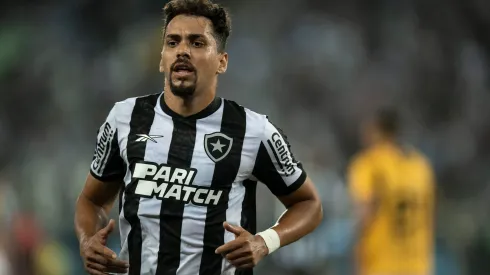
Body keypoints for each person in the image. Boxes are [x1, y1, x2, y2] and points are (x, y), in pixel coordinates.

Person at [74, 0, 323, 275]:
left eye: (197, 43)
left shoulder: (254, 130)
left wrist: (265, 242)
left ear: (221, 62)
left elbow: (308, 204)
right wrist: (87, 241)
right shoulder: (126, 117)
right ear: (161, 59)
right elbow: (92, 201)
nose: (182, 51)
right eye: (172, 42)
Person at [347, 108, 435, 275]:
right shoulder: (421, 166)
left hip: (381, 265)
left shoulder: (369, 165)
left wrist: (356, 261)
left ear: (376, 130)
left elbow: (364, 215)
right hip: (418, 265)